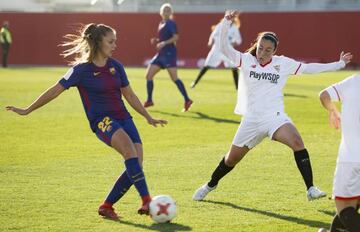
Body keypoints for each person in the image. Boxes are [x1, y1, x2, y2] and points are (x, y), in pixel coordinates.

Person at [6, 23, 167, 220]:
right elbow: (54, 91)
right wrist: (27, 109)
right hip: (102, 121)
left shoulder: (116, 66)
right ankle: (147, 201)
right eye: (111, 41)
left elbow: (131, 96)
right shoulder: (80, 71)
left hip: (124, 117)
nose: (115, 45)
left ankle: (107, 205)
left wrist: (148, 117)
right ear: (98, 42)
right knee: (129, 151)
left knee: (137, 163)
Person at [192, 11, 353, 202]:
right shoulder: (246, 60)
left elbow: (310, 68)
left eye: (268, 50)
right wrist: (226, 22)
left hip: (275, 117)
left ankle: (311, 189)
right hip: (251, 120)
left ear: (274, 51)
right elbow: (223, 47)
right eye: (260, 48)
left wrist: (339, 64)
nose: (262, 53)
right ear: (257, 46)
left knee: (297, 142)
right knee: (231, 159)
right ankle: (210, 185)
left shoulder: (282, 64)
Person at [318, 75, 360, 232]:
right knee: (352, 206)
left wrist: (333, 111)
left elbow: (324, 95)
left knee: (345, 210)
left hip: (351, 158)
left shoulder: (354, 81)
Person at [143, 3, 193, 112]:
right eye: (164, 10)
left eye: (168, 10)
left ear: (171, 13)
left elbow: (176, 37)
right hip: (161, 54)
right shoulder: (161, 23)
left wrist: (164, 43)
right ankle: (149, 100)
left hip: (169, 54)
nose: (166, 12)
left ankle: (187, 100)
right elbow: (165, 38)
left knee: (174, 78)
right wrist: (157, 41)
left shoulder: (170, 23)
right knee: (148, 75)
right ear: (160, 12)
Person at [190, 16, 242, 90]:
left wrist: (233, 43)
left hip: (227, 50)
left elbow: (239, 40)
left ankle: (237, 88)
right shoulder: (220, 25)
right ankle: (194, 83)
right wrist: (210, 41)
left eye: (232, 17)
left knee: (234, 68)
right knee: (207, 65)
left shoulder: (234, 28)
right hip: (216, 50)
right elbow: (213, 35)